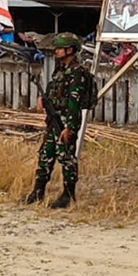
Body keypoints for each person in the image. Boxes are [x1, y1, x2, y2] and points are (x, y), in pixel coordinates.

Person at [24, 32, 94, 209]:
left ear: (70, 50)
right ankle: (38, 192)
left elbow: (74, 102)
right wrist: (44, 99)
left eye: (60, 48)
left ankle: (67, 196)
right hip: (53, 119)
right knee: (45, 155)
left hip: (65, 120)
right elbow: (54, 89)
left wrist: (70, 127)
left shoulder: (78, 73)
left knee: (66, 157)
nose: (56, 51)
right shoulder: (60, 69)